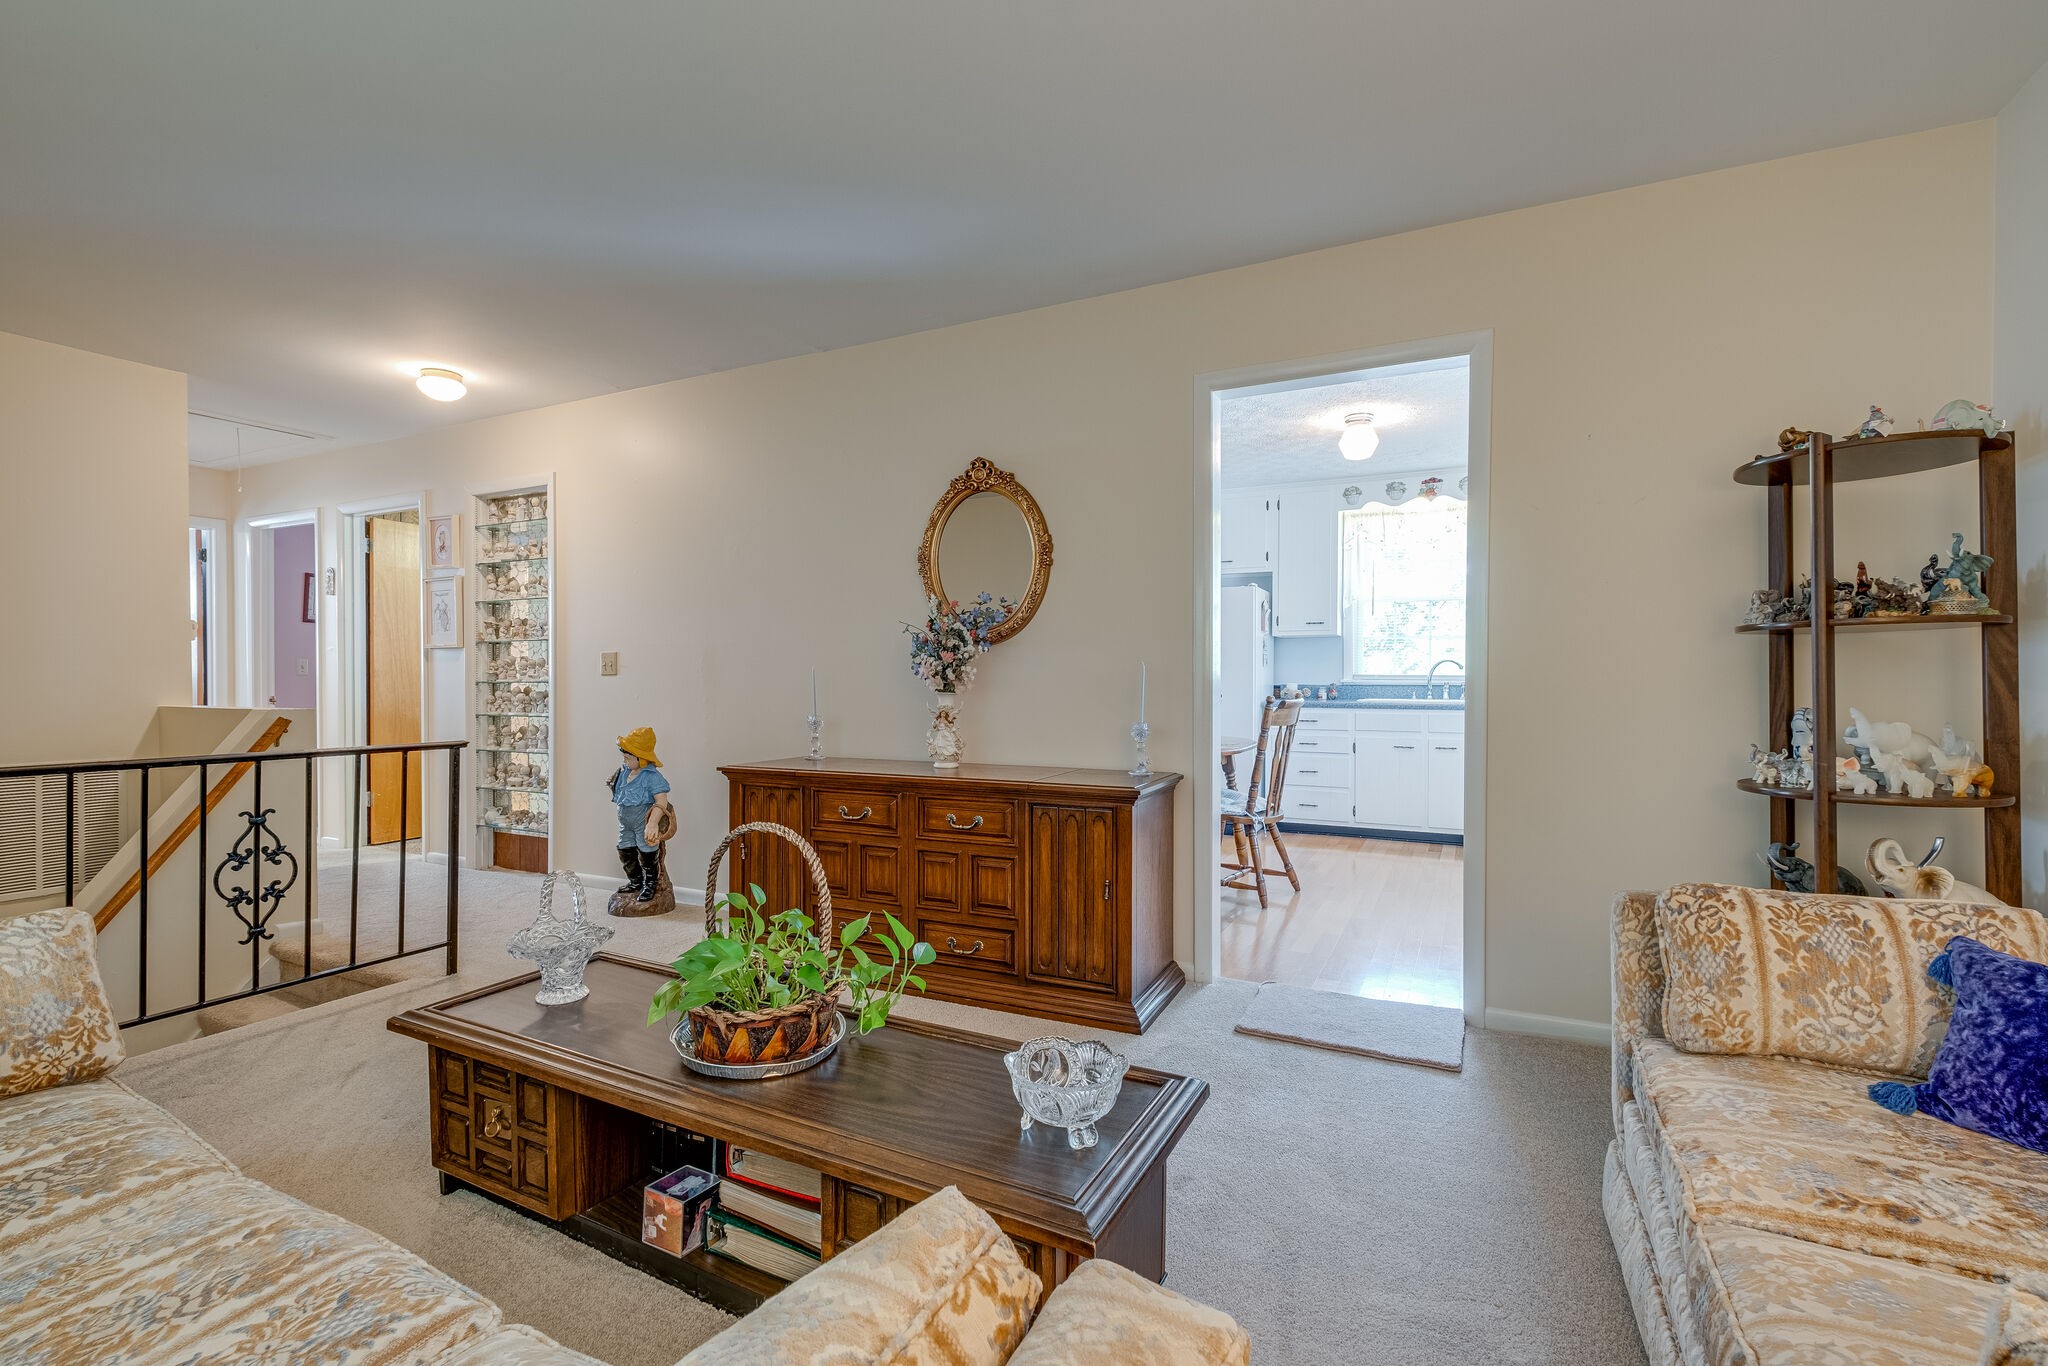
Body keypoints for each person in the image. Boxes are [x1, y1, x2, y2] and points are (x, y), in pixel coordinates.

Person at [608, 728, 672, 904]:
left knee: (647, 852)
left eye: (628, 758)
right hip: (626, 823)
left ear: (641, 758)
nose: (625, 760)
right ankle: (635, 881)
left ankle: (649, 884)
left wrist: (652, 823)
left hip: (642, 823)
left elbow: (661, 801)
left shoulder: (651, 777)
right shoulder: (625, 772)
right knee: (625, 849)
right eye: (624, 757)